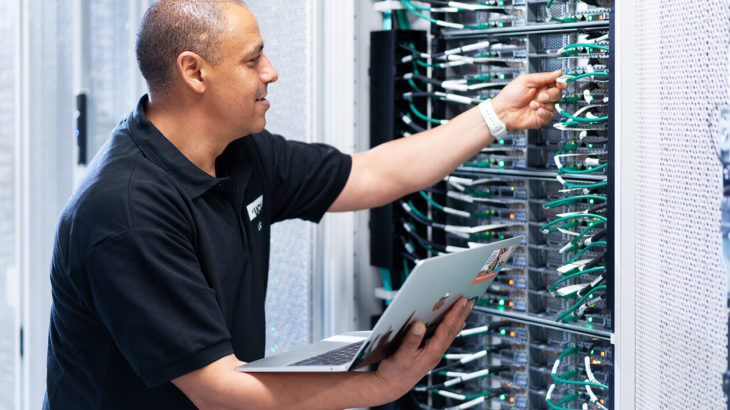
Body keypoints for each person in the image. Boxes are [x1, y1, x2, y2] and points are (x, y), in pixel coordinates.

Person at [44, 1, 566, 409]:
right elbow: (218, 392)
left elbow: (372, 174)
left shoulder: (240, 153)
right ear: (194, 72)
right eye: (253, 59)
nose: (271, 72)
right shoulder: (125, 214)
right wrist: (378, 386)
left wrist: (496, 116)